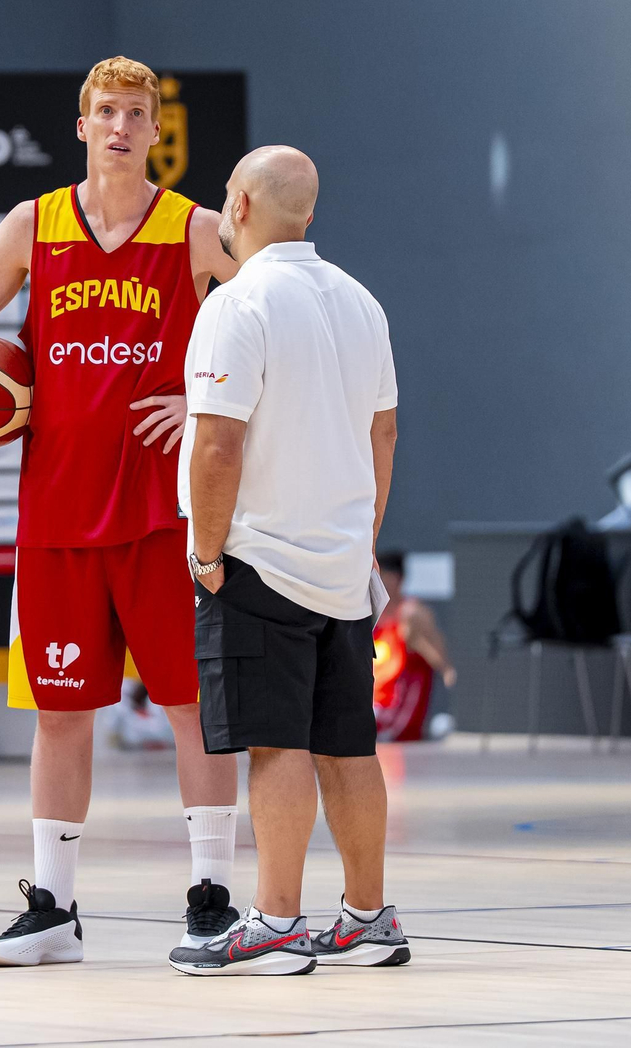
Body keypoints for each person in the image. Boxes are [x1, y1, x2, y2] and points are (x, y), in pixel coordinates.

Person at [0, 56, 243, 967]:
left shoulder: (194, 230)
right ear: (81, 127)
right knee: (61, 714)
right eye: (105, 111)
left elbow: (275, 333)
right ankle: (54, 910)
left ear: (158, 130)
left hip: (166, 515)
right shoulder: (32, 226)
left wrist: (202, 404)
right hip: (58, 518)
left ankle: (213, 896)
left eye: (136, 112)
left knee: (191, 708)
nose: (120, 125)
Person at [170, 146, 410, 975]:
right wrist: (364, 535)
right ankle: (368, 919)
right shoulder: (361, 303)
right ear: (308, 212)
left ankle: (274, 925)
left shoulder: (237, 305)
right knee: (347, 746)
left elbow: (217, 446)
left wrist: (205, 553)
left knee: (275, 745)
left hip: (258, 559)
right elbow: (384, 433)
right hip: (343, 566)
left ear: (238, 206)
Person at [373, 551, 456, 742]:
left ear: (395, 578)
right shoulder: (374, 614)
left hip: (399, 712)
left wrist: (417, 642)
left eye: (381, 575)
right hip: (376, 705)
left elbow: (442, 662)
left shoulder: (413, 614)